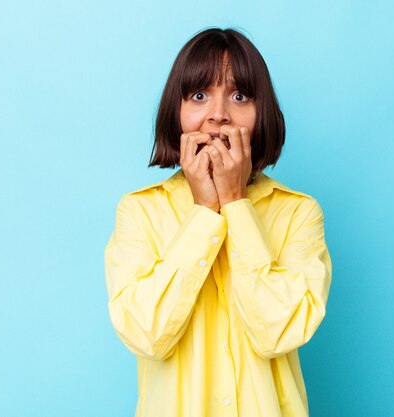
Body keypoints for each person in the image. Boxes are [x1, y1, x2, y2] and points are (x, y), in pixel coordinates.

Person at [104, 27, 332, 417]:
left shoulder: (298, 212)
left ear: (262, 115)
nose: (218, 114)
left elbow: (281, 332)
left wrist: (235, 202)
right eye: (198, 95)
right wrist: (204, 212)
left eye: (240, 96)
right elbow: (147, 334)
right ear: (174, 112)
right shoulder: (140, 212)